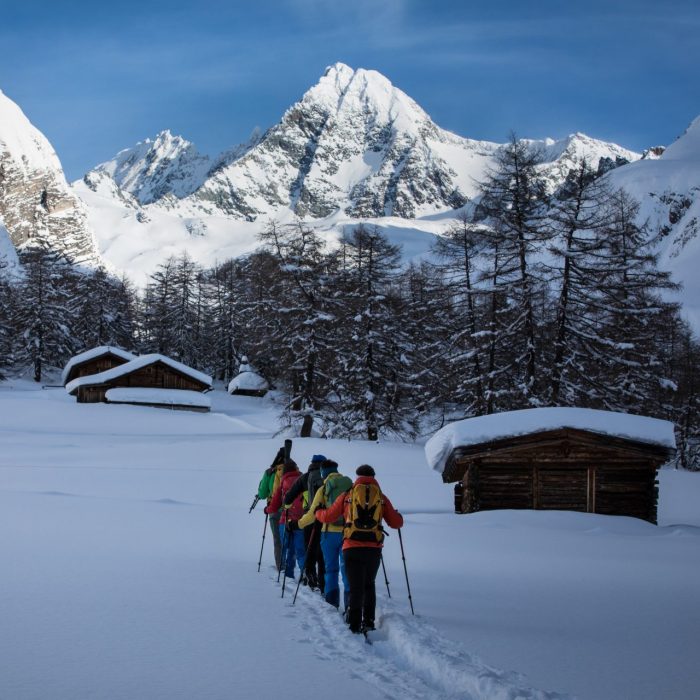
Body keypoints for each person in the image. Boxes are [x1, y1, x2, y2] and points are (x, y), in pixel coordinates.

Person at [315, 465, 403, 634]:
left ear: (357, 476)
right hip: (373, 549)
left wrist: (319, 511)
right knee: (369, 584)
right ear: (374, 476)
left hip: (351, 547)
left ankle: (354, 624)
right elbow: (396, 523)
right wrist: (398, 516)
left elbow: (329, 516)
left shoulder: (347, 495)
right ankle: (369, 622)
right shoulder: (381, 497)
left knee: (356, 587)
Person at [295, 460, 352, 609]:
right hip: (348, 534)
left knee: (331, 570)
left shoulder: (323, 488)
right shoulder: (349, 486)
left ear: (323, 472)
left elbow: (312, 514)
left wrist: (298, 524)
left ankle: (332, 604)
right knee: (346, 571)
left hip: (328, 534)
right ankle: (350, 608)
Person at [283, 454, 326, 591]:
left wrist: (287, 506)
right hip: (326, 518)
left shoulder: (305, 477)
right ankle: (323, 583)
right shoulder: (327, 477)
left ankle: (310, 578)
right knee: (322, 551)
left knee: (310, 548)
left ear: (312, 463)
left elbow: (290, 496)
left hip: (309, 518)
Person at [264, 460, 306, 580]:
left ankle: (287, 575)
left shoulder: (283, 483)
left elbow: (275, 504)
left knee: (286, 549)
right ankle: (305, 574)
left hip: (285, 520)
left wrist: (267, 510)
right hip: (300, 521)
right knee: (300, 550)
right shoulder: (303, 481)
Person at [256, 447, 285, 569]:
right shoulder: (294, 471)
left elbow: (262, 494)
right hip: (291, 510)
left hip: (273, 509)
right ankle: (290, 568)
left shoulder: (270, 472)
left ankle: (280, 566)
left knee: (277, 540)